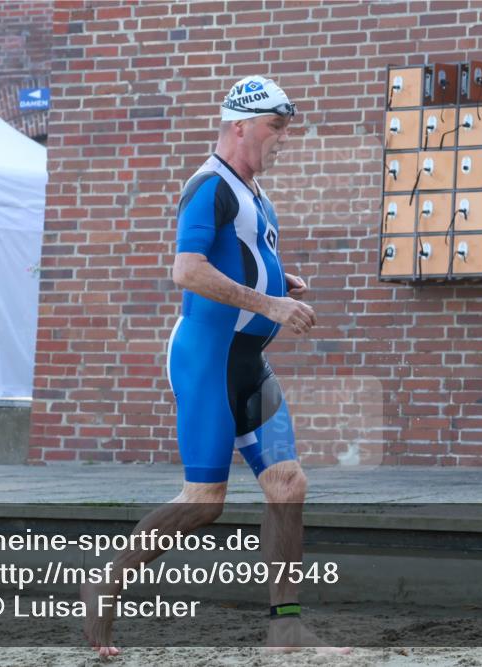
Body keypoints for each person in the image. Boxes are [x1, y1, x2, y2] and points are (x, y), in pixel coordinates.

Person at [82, 76, 347, 656]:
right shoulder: (209, 186)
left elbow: (242, 261)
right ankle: (105, 589)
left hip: (251, 361)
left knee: (287, 484)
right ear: (239, 125)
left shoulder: (256, 195)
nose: (282, 140)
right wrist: (272, 301)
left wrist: (281, 279)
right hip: (207, 361)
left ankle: (287, 629)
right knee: (204, 501)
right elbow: (188, 271)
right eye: (275, 128)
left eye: (285, 129)